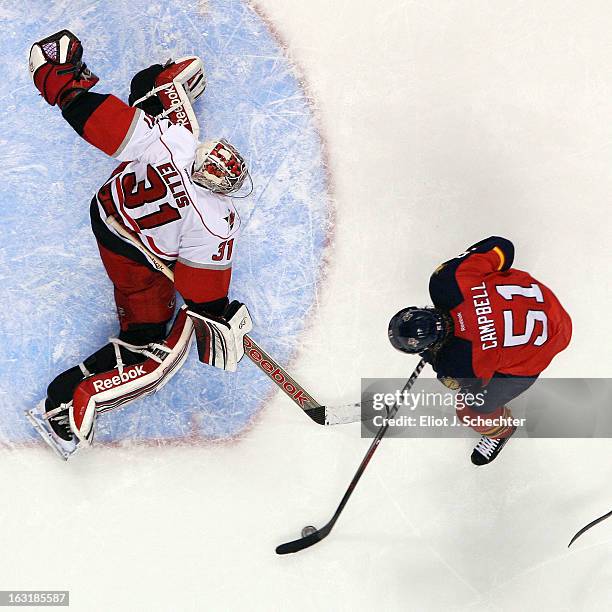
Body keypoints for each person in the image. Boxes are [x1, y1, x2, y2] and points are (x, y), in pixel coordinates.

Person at [26, 30, 253, 459]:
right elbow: (201, 297)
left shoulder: (176, 142)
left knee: (149, 110)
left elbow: (101, 120)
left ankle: (150, 83)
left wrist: (65, 85)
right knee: (147, 339)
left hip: (108, 212)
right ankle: (69, 402)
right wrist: (220, 316)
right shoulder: (215, 223)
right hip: (135, 259)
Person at [388, 236, 572, 465]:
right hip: (542, 299)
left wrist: (436, 357)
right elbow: (504, 246)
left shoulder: (460, 364)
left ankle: (502, 430)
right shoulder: (448, 280)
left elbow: (472, 385)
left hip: (549, 342)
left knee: (470, 409)